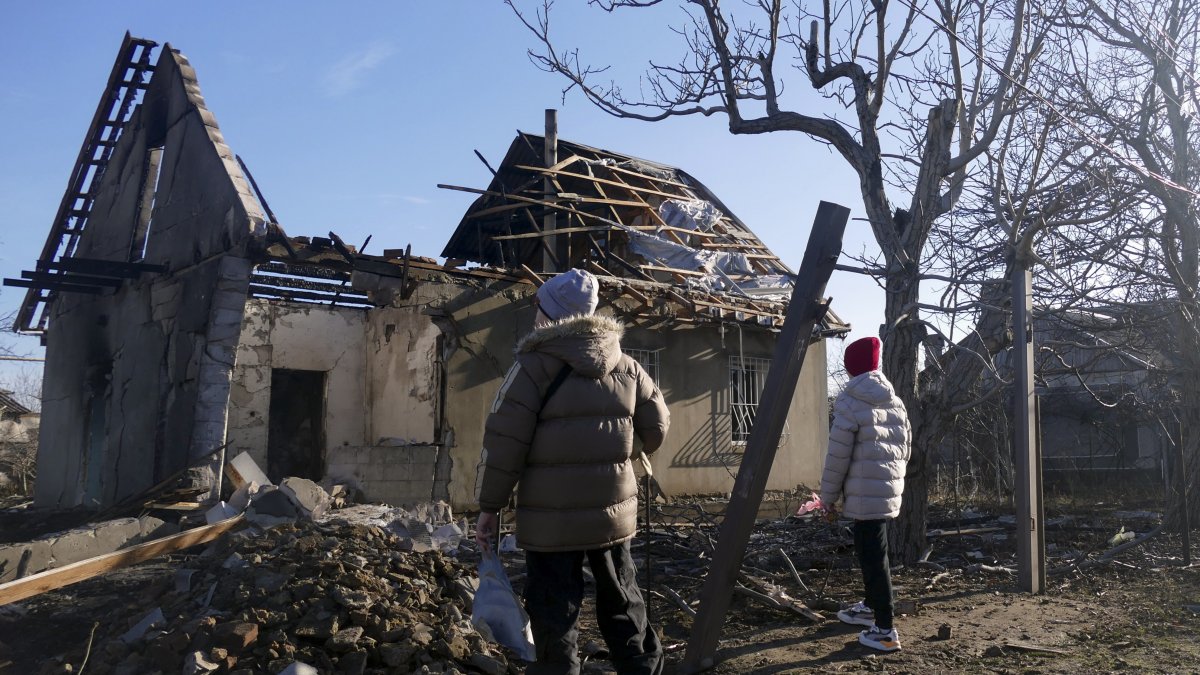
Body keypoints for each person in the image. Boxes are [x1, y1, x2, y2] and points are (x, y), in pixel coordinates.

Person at [474, 268, 670, 675]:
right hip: (612, 514)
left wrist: (489, 506)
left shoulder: (530, 368)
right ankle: (642, 669)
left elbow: (503, 444)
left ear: (550, 314)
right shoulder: (629, 367)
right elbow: (658, 427)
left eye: (538, 307)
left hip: (551, 519)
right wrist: (619, 451)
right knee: (622, 599)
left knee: (554, 609)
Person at [819, 335, 911, 652]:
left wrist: (827, 497)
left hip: (863, 495)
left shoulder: (849, 402)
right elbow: (905, 450)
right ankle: (871, 608)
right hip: (886, 492)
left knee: (874, 559)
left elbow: (837, 456)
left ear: (851, 368)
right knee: (870, 552)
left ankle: (885, 630)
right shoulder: (895, 402)